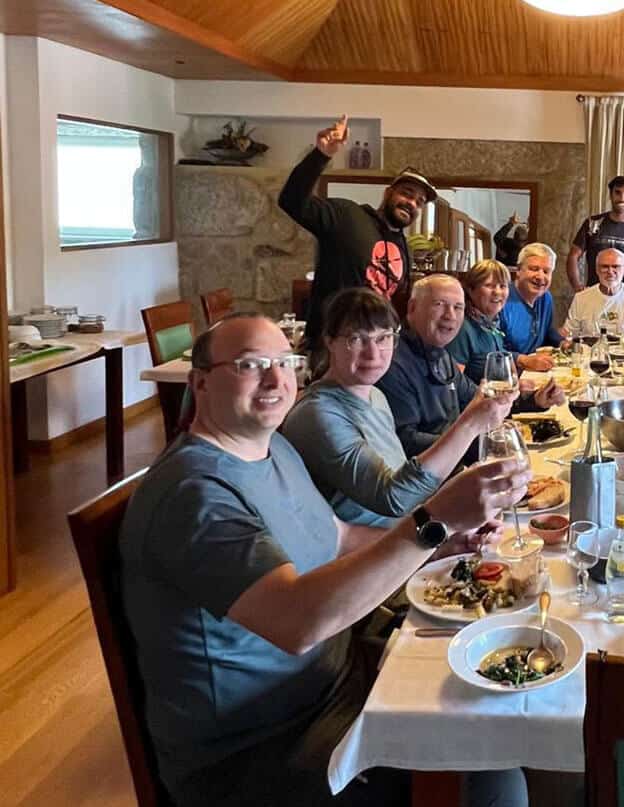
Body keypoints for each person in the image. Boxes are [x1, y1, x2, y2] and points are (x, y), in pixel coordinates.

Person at [119, 312, 531, 806]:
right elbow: (298, 622)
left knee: (501, 705)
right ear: (200, 383)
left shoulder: (272, 450)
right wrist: (431, 523)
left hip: (341, 680)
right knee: (486, 775)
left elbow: (336, 537)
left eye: (284, 362)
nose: (275, 379)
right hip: (262, 751)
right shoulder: (194, 494)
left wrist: (444, 544)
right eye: (252, 365)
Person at [282, 288, 515, 527]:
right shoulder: (317, 414)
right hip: (368, 558)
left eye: (383, 338)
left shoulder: (376, 395)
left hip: (406, 540)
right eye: (357, 339)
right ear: (330, 341)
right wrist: (470, 424)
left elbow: (408, 489)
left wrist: (452, 523)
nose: (373, 354)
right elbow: (394, 499)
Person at [278, 113, 437, 349]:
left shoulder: (403, 247)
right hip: (330, 348)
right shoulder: (346, 216)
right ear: (388, 194)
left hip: (373, 349)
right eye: (407, 194)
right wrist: (321, 155)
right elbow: (291, 200)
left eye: (420, 201)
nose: (412, 203)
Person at [378, 274, 565, 458]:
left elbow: (481, 400)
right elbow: (406, 442)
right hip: (433, 481)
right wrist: (481, 442)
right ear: (412, 308)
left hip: (457, 465)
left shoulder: (439, 353)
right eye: (439, 304)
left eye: (458, 307)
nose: (450, 315)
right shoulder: (392, 363)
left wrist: (535, 400)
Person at [448, 259, 554, 382]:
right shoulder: (462, 329)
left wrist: (518, 386)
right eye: (489, 285)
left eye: (503, 286)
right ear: (471, 290)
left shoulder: (491, 323)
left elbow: (503, 362)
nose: (497, 292)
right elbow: (452, 388)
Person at [566, 175, 624, 291]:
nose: (622, 198)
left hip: (623, 298)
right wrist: (577, 286)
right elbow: (573, 256)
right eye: (617, 193)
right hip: (594, 294)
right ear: (611, 195)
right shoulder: (593, 224)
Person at [563, 248, 624, 338]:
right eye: (605, 266)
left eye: (615, 266)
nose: (610, 272)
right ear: (596, 269)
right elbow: (569, 335)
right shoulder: (581, 298)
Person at [499, 242, 565, 355]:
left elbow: (547, 332)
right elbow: (495, 349)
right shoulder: (501, 300)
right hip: (511, 369)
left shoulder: (546, 297)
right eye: (534, 269)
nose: (540, 277)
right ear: (519, 270)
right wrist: (524, 361)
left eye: (546, 271)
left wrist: (562, 342)